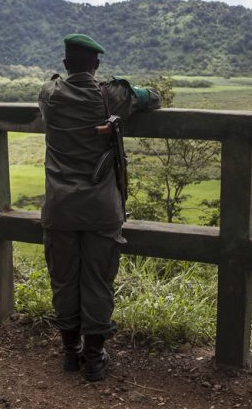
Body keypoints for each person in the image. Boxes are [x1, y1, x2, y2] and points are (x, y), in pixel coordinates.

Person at [38, 33, 161, 382]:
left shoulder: (49, 94)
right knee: (98, 281)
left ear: (65, 64)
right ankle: (93, 359)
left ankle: (70, 352)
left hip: (60, 208)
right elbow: (153, 97)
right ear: (96, 64)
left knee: (63, 279)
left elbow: (48, 98)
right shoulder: (112, 95)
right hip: (101, 209)